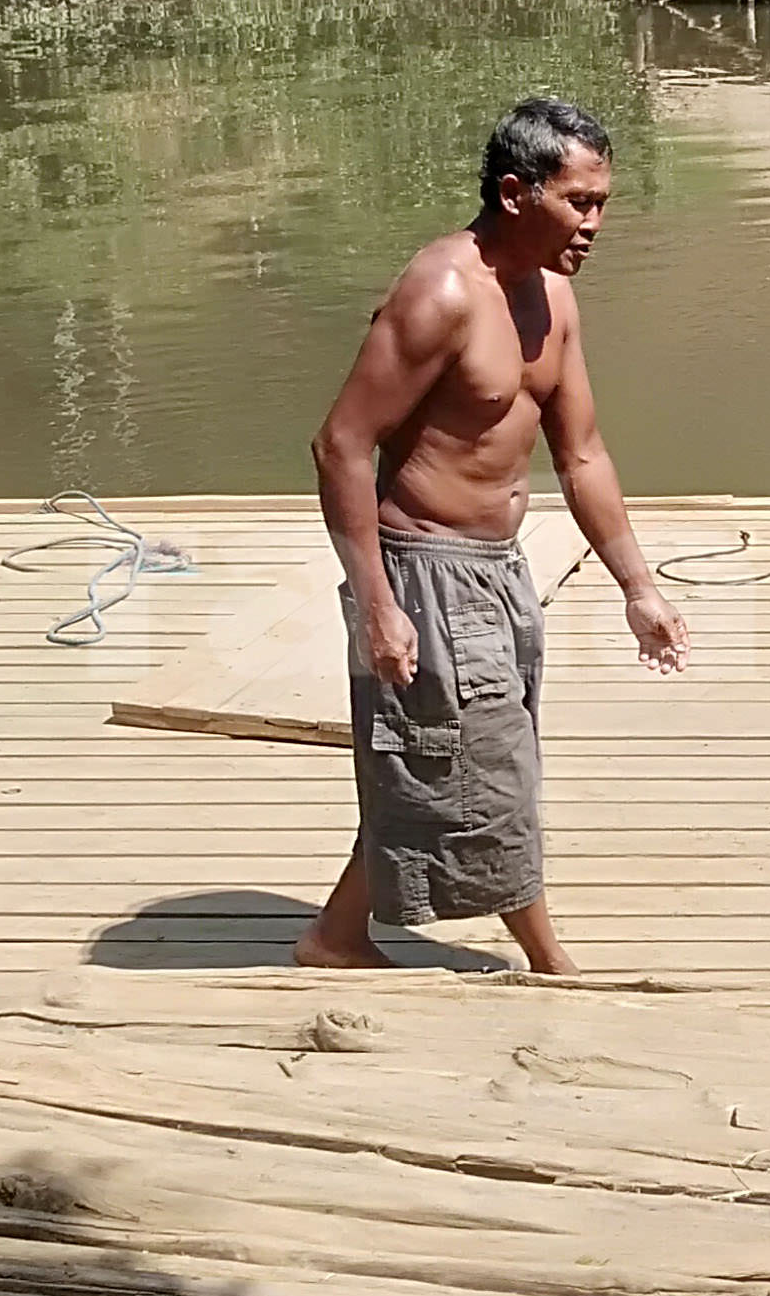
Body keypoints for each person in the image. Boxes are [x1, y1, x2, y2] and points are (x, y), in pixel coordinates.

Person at [295, 97, 689, 976]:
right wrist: (378, 606)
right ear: (515, 194)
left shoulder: (552, 298)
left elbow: (582, 454)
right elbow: (341, 445)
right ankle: (551, 967)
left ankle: (335, 939)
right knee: (491, 774)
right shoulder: (441, 293)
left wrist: (639, 587)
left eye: (602, 204)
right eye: (577, 203)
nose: (594, 224)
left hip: (499, 572)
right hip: (422, 570)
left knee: (443, 762)